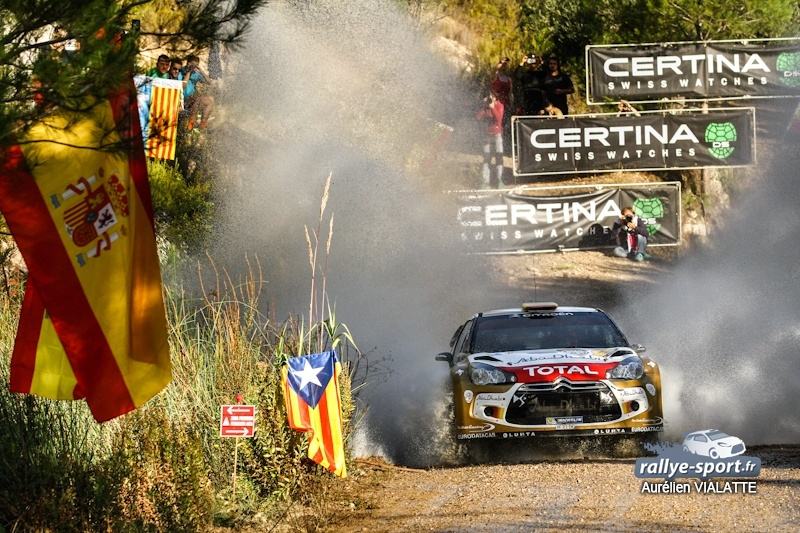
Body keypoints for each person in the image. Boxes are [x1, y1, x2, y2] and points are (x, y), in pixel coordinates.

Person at [475, 91, 504, 188]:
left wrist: (492, 107)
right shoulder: (486, 107)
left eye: (492, 97)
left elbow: (499, 119)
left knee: (499, 157)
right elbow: (478, 117)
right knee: (486, 158)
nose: (490, 99)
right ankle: (485, 181)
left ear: (496, 98)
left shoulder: (499, 106)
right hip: (487, 135)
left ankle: (499, 181)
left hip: (497, 134)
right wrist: (484, 106)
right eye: (489, 97)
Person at [181, 54, 215, 130]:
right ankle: (192, 121)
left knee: (210, 100)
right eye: (193, 65)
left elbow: (209, 82)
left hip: (193, 100)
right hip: (183, 99)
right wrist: (189, 71)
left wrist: (201, 70)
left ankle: (203, 122)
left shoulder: (196, 73)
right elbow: (183, 86)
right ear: (188, 63)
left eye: (196, 65)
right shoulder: (182, 70)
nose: (194, 67)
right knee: (197, 99)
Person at [490, 57, 513, 139]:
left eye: (506, 65)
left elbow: (510, 93)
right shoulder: (495, 76)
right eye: (503, 64)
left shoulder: (509, 79)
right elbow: (493, 72)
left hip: (505, 103)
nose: (504, 66)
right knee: (497, 122)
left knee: (505, 123)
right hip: (496, 102)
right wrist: (500, 63)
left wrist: (511, 104)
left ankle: (504, 141)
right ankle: (496, 142)